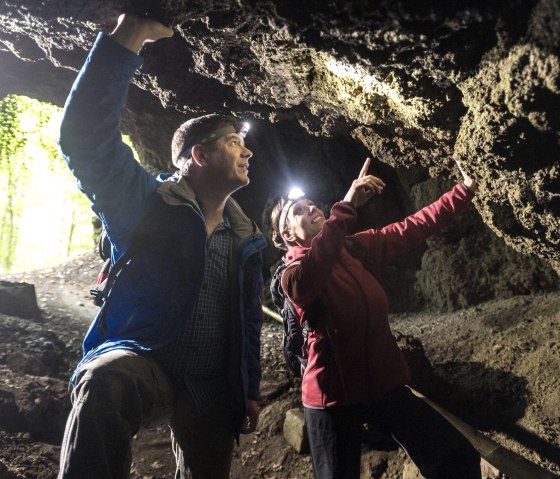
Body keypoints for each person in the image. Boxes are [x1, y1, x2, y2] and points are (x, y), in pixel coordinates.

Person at [57, 13, 266, 479]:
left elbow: (247, 319)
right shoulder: (147, 203)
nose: (247, 152)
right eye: (235, 142)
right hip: (144, 357)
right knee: (104, 383)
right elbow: (86, 142)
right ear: (200, 154)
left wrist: (249, 387)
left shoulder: (247, 237)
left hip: (210, 385)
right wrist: (127, 38)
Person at [270, 158, 482, 478]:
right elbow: (315, 269)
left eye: (312, 204)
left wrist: (463, 192)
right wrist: (345, 207)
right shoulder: (292, 276)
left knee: (456, 457)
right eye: (299, 210)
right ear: (286, 232)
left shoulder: (354, 248)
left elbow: (412, 227)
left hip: (382, 385)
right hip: (332, 400)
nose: (311, 209)